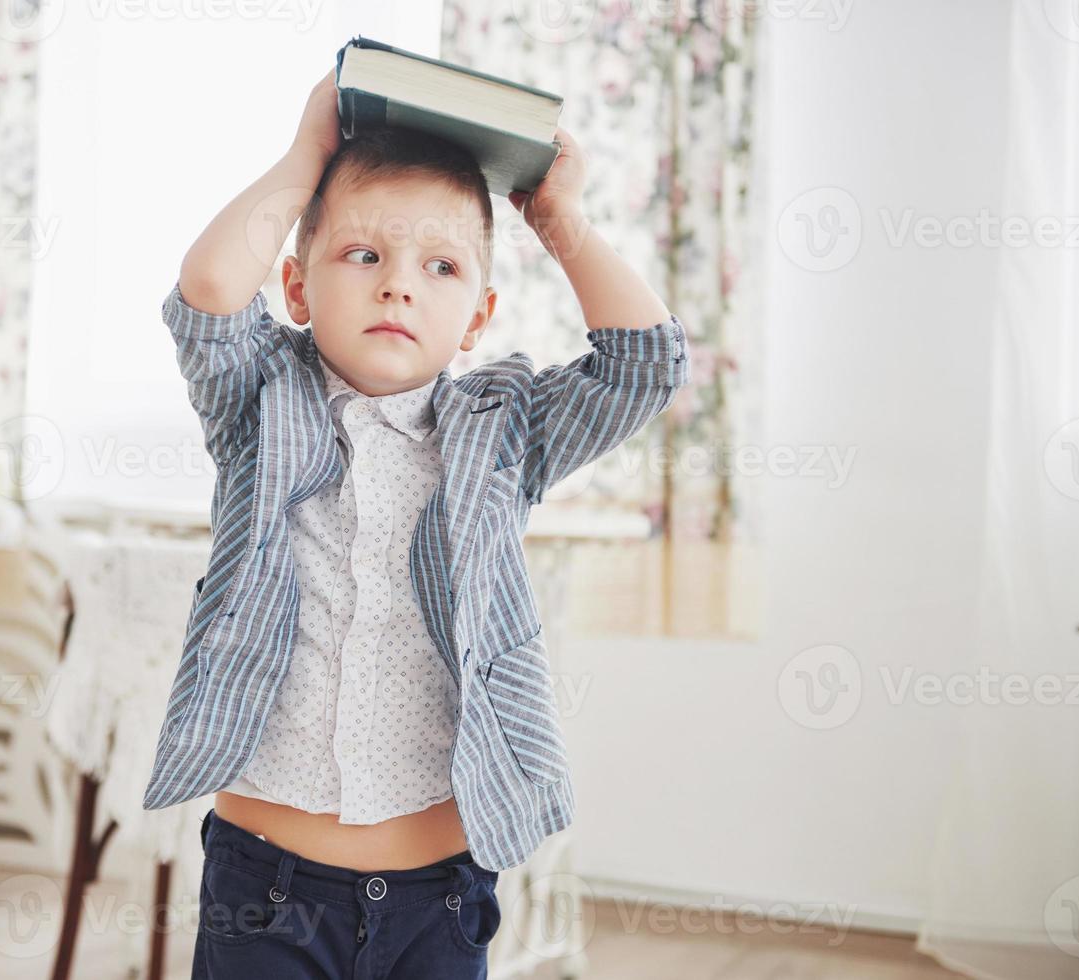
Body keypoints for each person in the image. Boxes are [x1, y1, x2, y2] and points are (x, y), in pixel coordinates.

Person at [144, 65, 692, 978]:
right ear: (297, 286)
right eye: (363, 255)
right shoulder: (259, 398)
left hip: (436, 896)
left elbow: (642, 367)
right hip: (264, 886)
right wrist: (305, 154)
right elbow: (206, 292)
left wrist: (561, 224)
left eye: (439, 267)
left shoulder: (501, 429)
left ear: (477, 315)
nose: (399, 286)